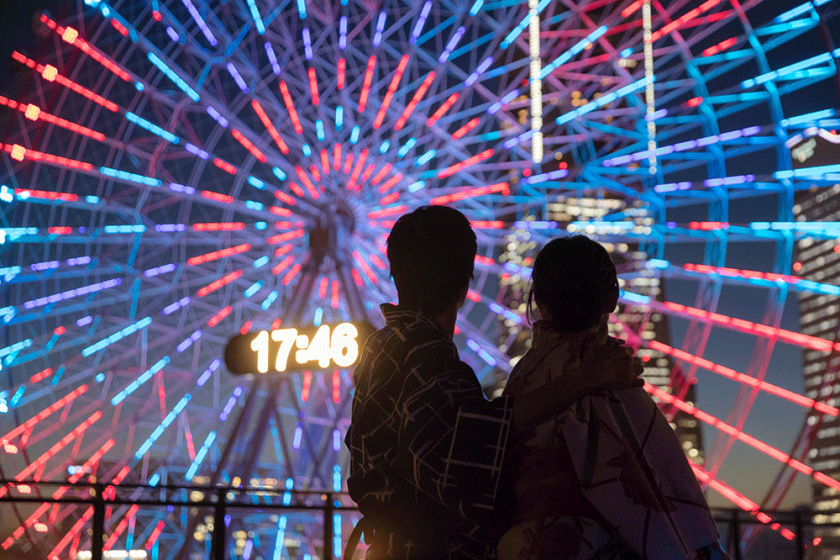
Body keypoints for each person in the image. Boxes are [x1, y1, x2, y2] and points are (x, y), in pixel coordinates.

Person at [345, 207, 643, 560]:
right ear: (466, 279)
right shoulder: (424, 352)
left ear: (395, 273)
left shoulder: (381, 347)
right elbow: (472, 441)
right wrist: (588, 378)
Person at [496, 235, 730, 560]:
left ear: (538, 302)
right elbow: (660, 469)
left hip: (518, 542)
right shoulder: (608, 367)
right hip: (593, 542)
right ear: (613, 299)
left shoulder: (522, 375)